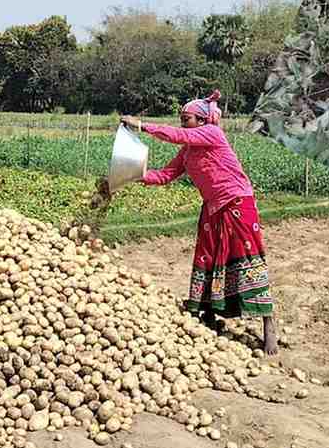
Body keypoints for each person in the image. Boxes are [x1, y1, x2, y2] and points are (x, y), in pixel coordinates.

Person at [119, 89, 278, 355]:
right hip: (213, 207)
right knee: (207, 258)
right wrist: (132, 174)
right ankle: (208, 314)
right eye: (181, 118)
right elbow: (165, 175)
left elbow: (178, 135)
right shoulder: (188, 152)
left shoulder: (213, 134)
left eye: (187, 118)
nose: (183, 123)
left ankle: (268, 323)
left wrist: (142, 125)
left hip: (237, 202)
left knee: (247, 258)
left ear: (202, 121)